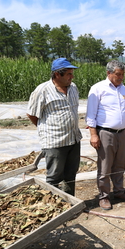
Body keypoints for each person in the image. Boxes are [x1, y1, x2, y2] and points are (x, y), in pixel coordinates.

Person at [27, 58, 83, 196]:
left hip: (74, 139)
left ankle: (70, 202)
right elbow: (32, 114)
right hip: (54, 142)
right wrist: (47, 130)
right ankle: (55, 207)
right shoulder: (42, 90)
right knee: (54, 177)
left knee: (71, 174)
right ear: (58, 74)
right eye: (69, 74)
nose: (72, 76)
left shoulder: (73, 88)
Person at [86, 60, 125, 210]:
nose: (121, 78)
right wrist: (93, 135)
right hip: (105, 133)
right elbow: (91, 115)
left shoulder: (123, 89)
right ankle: (104, 196)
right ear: (109, 73)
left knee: (120, 164)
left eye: (123, 75)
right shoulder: (98, 89)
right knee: (105, 167)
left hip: (121, 133)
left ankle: (119, 191)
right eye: (118, 74)